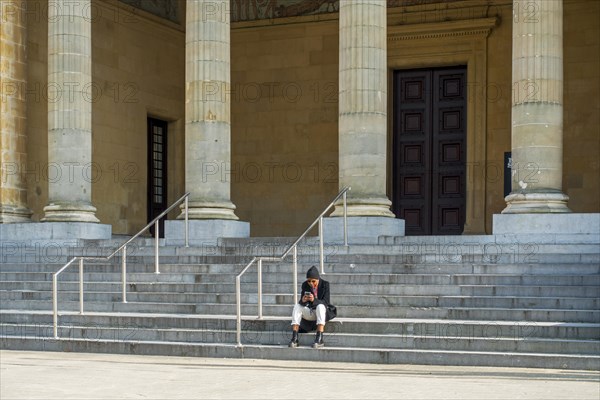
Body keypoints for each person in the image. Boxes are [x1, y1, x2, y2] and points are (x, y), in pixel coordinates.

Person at [288, 266, 336, 349]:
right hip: (310, 311)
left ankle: (319, 338)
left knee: (320, 306)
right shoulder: (305, 285)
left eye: (313, 281)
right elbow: (302, 303)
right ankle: (294, 338)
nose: (311, 283)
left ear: (318, 279)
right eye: (309, 281)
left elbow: (326, 302)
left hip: (321, 312)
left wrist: (314, 300)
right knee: (297, 306)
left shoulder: (325, 284)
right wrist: (303, 300)